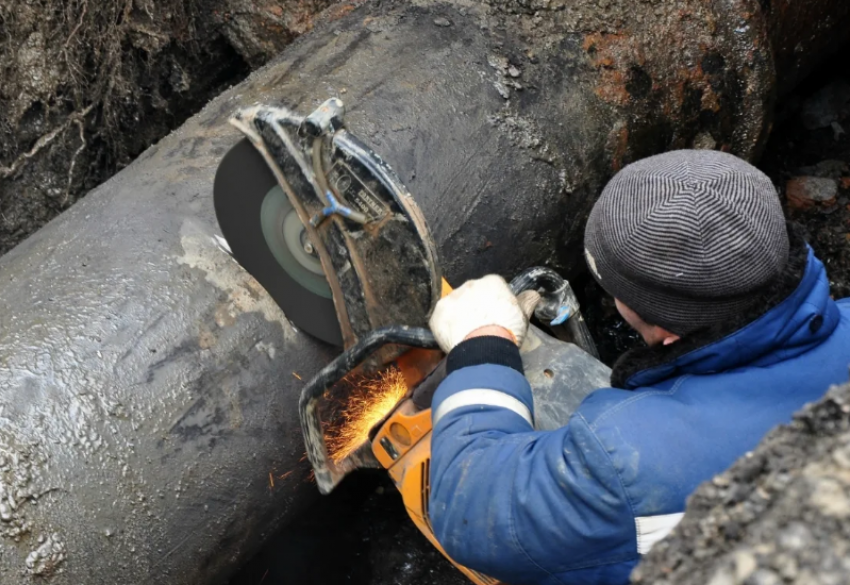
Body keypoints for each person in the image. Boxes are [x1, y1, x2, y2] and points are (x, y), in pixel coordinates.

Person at [427, 149, 850, 585]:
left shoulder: (631, 462)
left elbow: (472, 509)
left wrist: (482, 346)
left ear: (666, 330)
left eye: (615, 291)